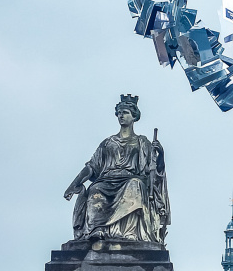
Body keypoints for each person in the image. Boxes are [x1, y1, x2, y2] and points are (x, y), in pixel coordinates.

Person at [63, 94, 170, 243]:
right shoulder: (108, 142)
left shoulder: (142, 142)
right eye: (119, 113)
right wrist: (73, 184)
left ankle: (129, 233)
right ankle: (97, 230)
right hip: (107, 180)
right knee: (95, 189)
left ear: (134, 116)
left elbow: (155, 171)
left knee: (135, 185)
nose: (121, 116)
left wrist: (161, 155)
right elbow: (92, 166)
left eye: (125, 112)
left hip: (131, 179)